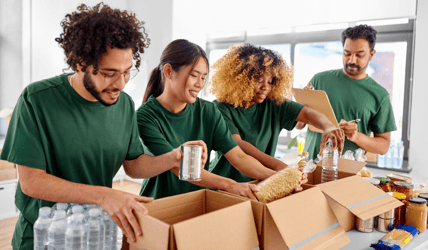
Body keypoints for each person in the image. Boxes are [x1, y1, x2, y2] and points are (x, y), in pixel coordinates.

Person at [0, 4, 207, 249]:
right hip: (45, 237)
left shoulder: (124, 105)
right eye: (109, 73)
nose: (120, 83)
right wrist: (104, 195)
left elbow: (133, 164)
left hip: (97, 234)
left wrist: (172, 158)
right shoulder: (37, 99)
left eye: (128, 72)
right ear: (79, 62)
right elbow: (32, 182)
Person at [136, 39, 306, 201]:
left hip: (198, 201)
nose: (199, 84)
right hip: (159, 203)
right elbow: (181, 167)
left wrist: (281, 177)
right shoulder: (146, 116)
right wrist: (230, 185)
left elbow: (238, 157)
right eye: (194, 76)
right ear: (168, 72)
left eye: (203, 77)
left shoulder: (208, 110)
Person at [208, 44, 344, 182]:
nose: (265, 87)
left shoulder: (274, 104)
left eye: (271, 81)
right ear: (241, 80)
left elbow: (308, 113)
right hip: (226, 183)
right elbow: (239, 145)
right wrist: (282, 169)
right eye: (259, 80)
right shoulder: (220, 108)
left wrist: (328, 127)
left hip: (261, 182)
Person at [296, 24, 396, 159]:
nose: (351, 60)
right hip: (310, 167)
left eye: (359, 55)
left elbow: (383, 146)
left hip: (348, 172)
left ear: (372, 54)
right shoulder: (319, 80)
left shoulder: (380, 95)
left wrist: (356, 136)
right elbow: (298, 125)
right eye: (347, 53)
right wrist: (303, 104)